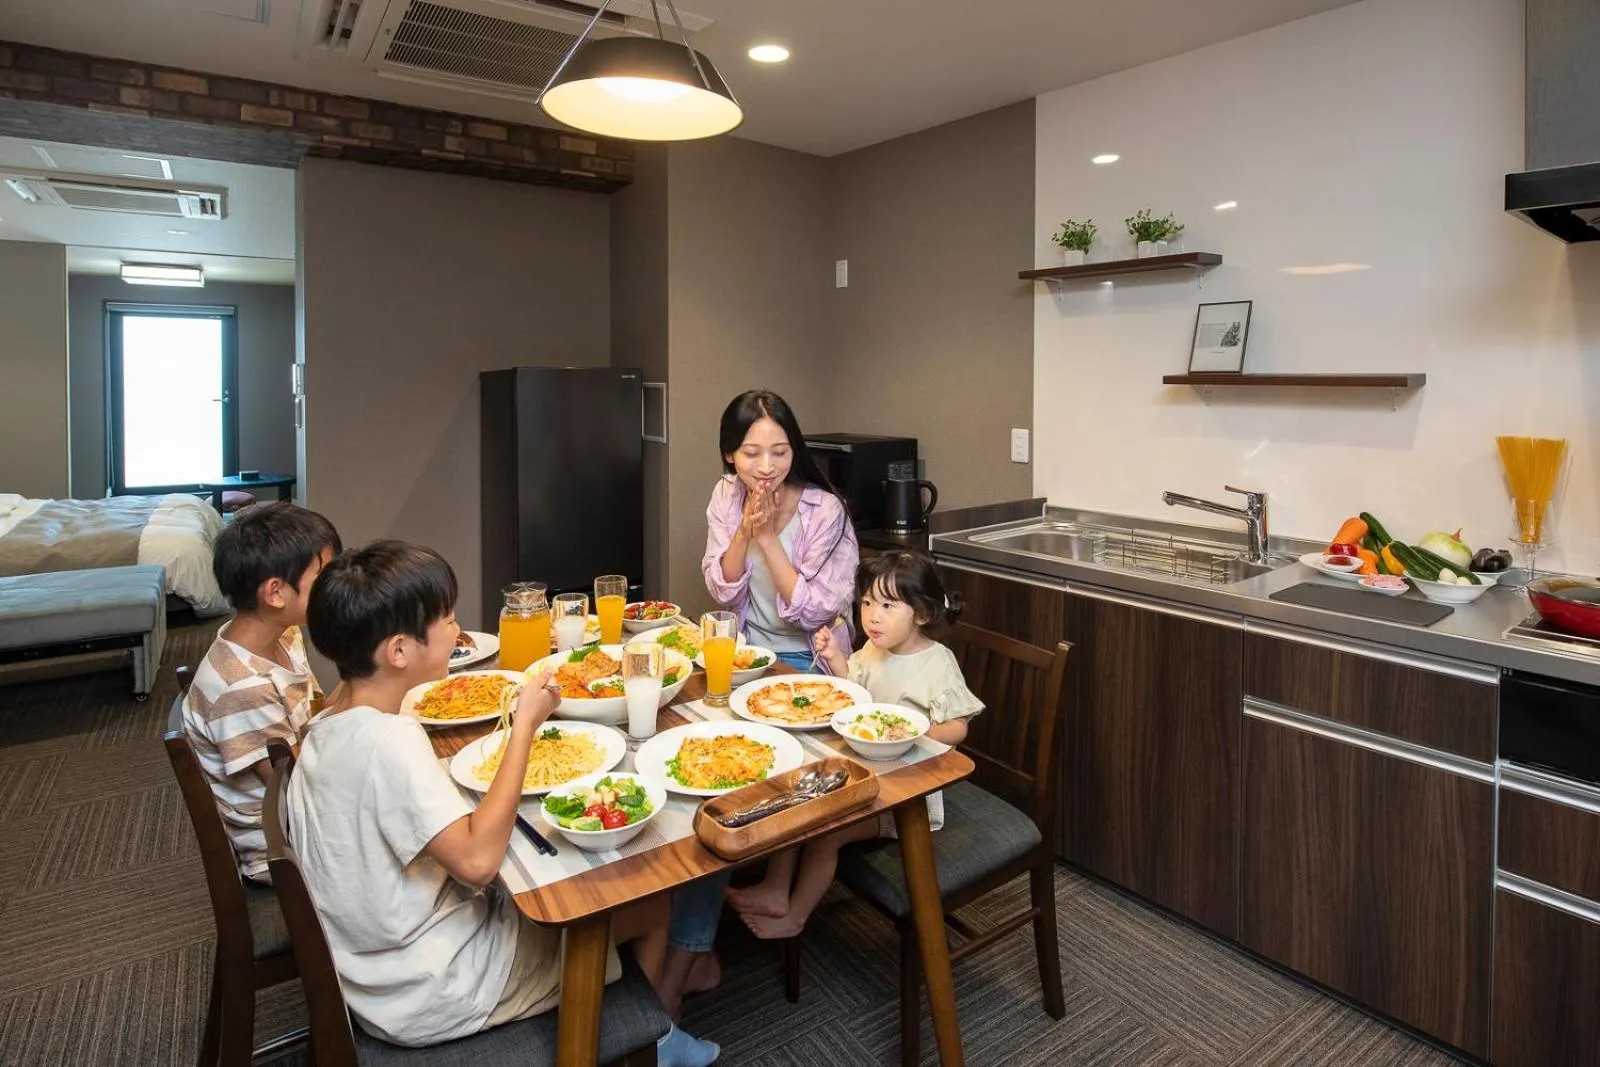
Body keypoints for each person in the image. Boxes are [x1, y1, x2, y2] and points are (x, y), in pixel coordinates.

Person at [288, 541, 717, 1065]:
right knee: (648, 902)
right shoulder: (389, 742)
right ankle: (657, 1040)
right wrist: (524, 727)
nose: (456, 629)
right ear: (398, 651)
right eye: (446, 618)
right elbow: (476, 863)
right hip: (434, 985)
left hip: (369, 969)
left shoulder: (324, 725)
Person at [726, 550, 983, 938]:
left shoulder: (937, 663)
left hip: (906, 795)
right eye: (866, 603)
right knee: (799, 794)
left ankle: (795, 915)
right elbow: (855, 688)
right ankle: (775, 889)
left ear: (923, 614)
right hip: (864, 772)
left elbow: (959, 726)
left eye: (887, 605)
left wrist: (921, 731)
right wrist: (833, 657)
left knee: (825, 829)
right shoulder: (875, 650)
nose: (872, 615)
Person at [182, 501, 341, 883]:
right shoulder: (242, 688)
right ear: (275, 593)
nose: (335, 586)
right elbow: (291, 787)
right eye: (323, 577)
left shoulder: (282, 634)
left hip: (305, 796)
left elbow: (312, 720)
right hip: (282, 845)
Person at [702, 389, 859, 670]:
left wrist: (766, 537)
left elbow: (814, 614)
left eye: (779, 452)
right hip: (745, 649)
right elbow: (723, 593)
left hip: (809, 658)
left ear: (794, 451)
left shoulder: (825, 510)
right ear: (729, 453)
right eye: (751, 453)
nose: (766, 467)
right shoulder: (726, 494)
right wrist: (744, 531)